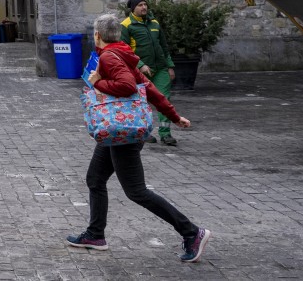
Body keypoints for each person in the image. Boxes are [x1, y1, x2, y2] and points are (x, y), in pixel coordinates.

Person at [67, 13, 210, 263]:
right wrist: (174, 116)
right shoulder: (121, 54)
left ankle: (192, 233)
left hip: (123, 133)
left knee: (137, 191)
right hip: (115, 131)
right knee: (95, 179)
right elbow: (149, 88)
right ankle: (95, 235)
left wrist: (98, 83)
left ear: (97, 35)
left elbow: (129, 87)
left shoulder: (110, 57)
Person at [121, 0, 178, 145]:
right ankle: (143, 132)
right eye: (140, 5)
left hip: (160, 69)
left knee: (163, 100)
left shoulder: (155, 23)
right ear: (133, 8)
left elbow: (164, 47)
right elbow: (124, 50)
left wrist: (170, 66)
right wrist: (140, 65)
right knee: (142, 102)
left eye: (145, 4)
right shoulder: (126, 25)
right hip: (141, 71)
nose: (144, 7)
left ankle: (166, 134)